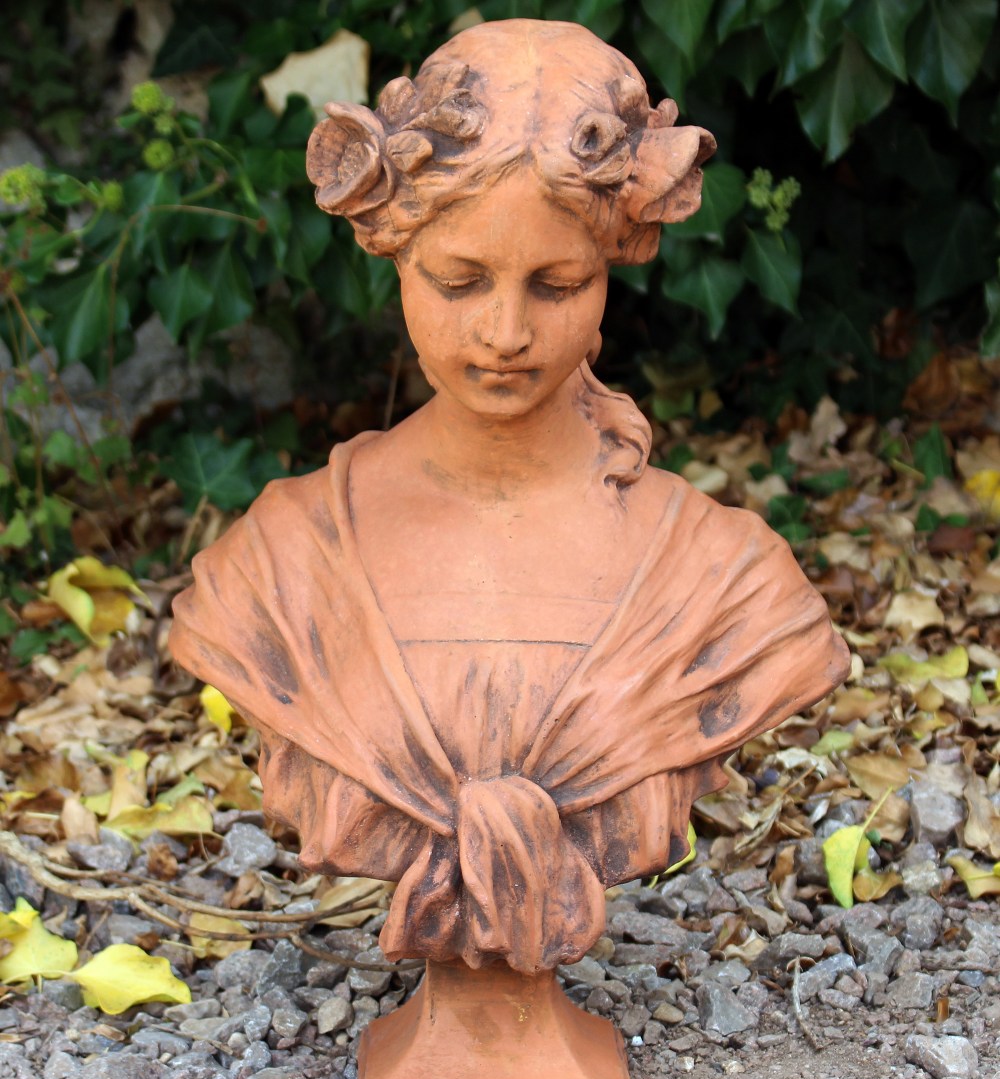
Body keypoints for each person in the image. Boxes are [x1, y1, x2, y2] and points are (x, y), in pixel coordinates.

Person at [170, 19, 850, 977]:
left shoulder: (724, 584)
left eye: (557, 283)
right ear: (393, 254)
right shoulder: (283, 564)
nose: (504, 332)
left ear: (612, 264)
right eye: (459, 281)